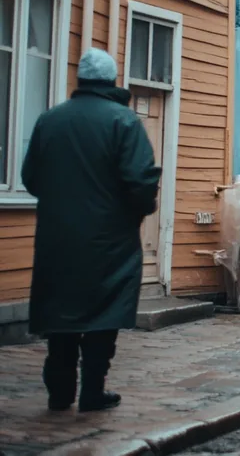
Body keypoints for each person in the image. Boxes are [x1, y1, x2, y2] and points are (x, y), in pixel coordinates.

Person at [23, 49, 162, 412]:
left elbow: (31, 178)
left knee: (62, 315)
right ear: (112, 81)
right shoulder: (124, 122)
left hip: (57, 239)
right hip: (110, 240)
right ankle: (92, 391)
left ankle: (59, 391)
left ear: (81, 80)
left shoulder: (49, 120)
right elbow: (141, 181)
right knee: (104, 314)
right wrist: (138, 212)